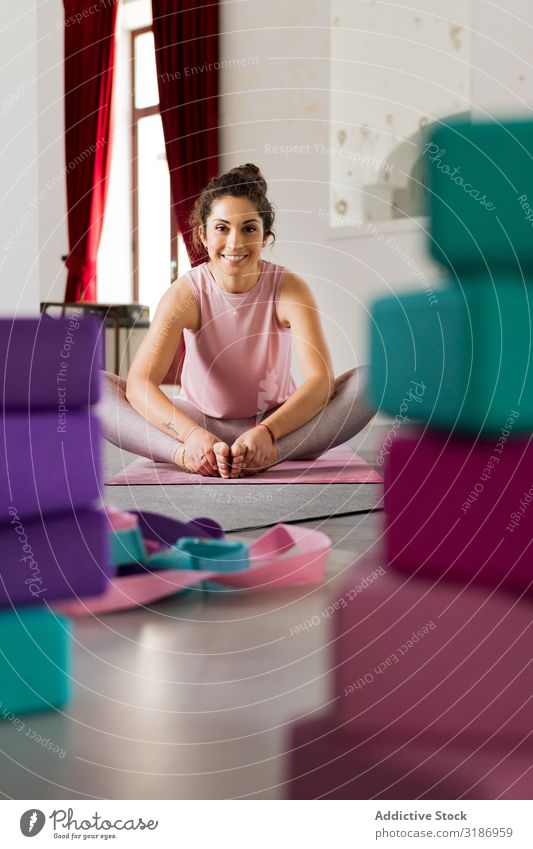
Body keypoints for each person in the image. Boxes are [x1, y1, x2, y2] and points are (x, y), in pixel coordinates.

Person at [98, 163, 374, 477]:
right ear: (203, 234)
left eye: (248, 228)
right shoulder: (186, 293)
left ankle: (268, 454)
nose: (235, 242)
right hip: (199, 422)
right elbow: (140, 384)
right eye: (222, 228)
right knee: (93, 387)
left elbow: (319, 380)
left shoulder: (289, 288)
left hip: (278, 424)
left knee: (373, 379)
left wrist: (269, 433)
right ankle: (186, 455)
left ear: (265, 236)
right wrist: (190, 436)